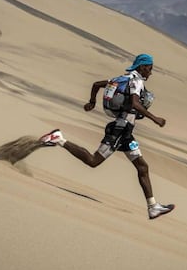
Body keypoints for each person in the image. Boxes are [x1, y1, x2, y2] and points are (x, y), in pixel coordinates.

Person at [39, 54, 175, 219]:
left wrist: (92, 102)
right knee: (93, 161)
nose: (151, 73)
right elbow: (135, 103)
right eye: (150, 68)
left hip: (126, 133)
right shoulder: (136, 81)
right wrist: (155, 119)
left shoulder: (122, 78)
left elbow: (97, 84)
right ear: (142, 66)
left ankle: (153, 207)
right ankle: (58, 139)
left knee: (142, 167)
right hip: (120, 130)